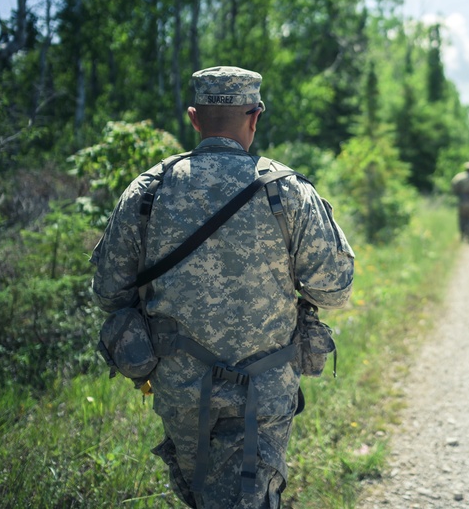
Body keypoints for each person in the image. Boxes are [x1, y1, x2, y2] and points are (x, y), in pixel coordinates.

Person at [90, 66, 355, 508]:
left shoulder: (148, 190)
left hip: (180, 387)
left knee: (200, 495)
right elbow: (336, 289)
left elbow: (108, 293)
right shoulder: (286, 190)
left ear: (194, 118)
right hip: (265, 386)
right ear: (254, 117)